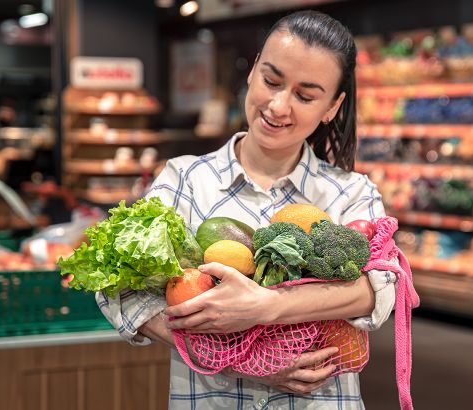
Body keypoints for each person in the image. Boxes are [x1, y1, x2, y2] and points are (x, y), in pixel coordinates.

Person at [97, 10, 400, 409]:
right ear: (252, 69)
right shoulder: (185, 179)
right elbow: (120, 289)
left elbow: (379, 290)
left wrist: (268, 307)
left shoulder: (351, 192)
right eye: (271, 80)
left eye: (305, 96)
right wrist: (240, 360)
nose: (278, 106)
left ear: (332, 106)